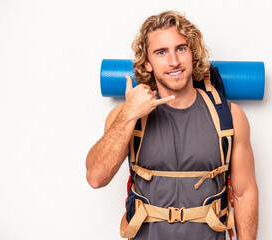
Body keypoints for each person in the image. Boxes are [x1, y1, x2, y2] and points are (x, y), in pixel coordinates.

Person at [86, 10, 258, 240]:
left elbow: (244, 193)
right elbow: (96, 177)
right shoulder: (124, 116)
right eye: (161, 52)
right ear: (147, 63)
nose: (174, 61)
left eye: (181, 48)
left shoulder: (230, 116)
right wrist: (129, 113)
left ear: (192, 53)